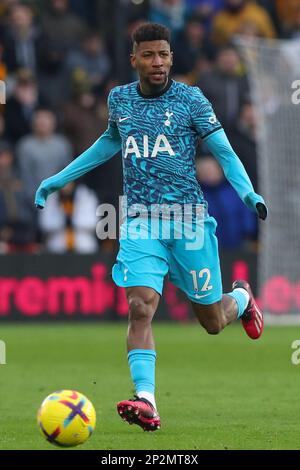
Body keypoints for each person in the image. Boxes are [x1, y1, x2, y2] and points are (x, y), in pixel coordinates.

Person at [35, 23, 268, 433]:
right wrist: (57, 179)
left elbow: (225, 152)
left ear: (172, 57)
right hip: (140, 221)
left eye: (163, 54)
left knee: (212, 321)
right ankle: (146, 400)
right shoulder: (120, 99)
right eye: (148, 55)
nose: (157, 62)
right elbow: (108, 143)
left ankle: (241, 299)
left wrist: (248, 194)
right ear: (134, 60)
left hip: (190, 222)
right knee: (140, 305)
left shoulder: (191, 100)